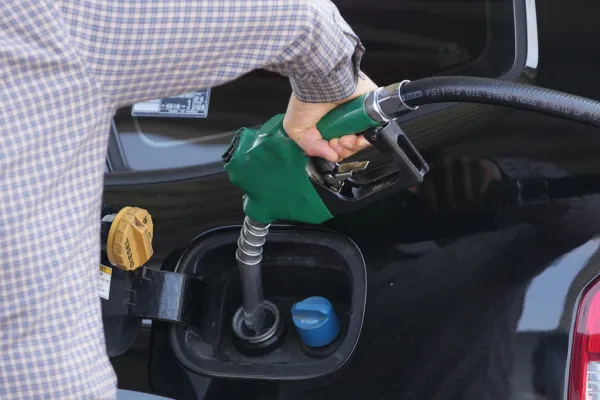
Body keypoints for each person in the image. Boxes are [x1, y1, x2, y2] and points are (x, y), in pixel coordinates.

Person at [0, 1, 377, 398]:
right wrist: (333, 86)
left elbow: (300, 25)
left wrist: (334, 90)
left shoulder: (34, 29)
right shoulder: (30, 29)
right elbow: (303, 25)